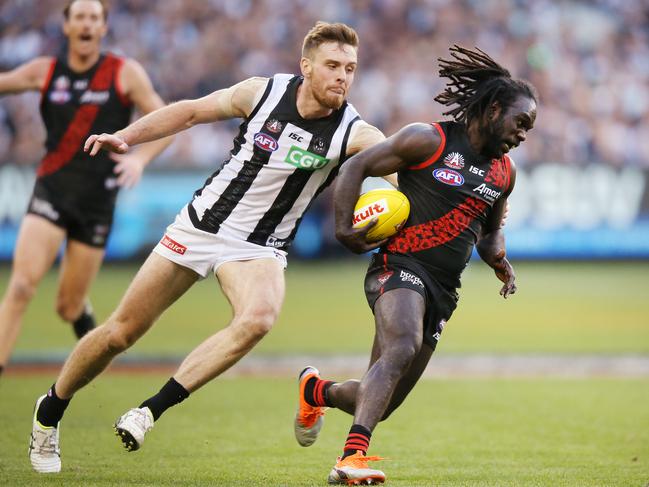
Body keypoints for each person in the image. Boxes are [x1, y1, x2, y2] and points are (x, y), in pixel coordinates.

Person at [28, 21, 397, 474]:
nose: (343, 76)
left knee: (259, 317)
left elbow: (401, 171)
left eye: (351, 68)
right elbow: (189, 112)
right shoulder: (260, 93)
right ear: (306, 67)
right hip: (199, 227)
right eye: (333, 65)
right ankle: (50, 410)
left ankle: (149, 410)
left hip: (259, 249)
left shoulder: (354, 132)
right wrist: (128, 137)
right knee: (120, 332)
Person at [293, 45, 538, 485]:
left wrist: (498, 257)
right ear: (495, 108)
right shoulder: (429, 139)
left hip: (444, 291)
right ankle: (353, 460)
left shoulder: (505, 173)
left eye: (529, 129)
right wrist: (345, 230)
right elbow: (356, 166)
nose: (523, 135)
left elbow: (490, 231)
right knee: (401, 346)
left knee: (381, 399)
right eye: (521, 123)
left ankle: (317, 391)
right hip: (397, 266)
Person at [0, 0, 171, 376]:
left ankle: (83, 321)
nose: (86, 24)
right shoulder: (44, 71)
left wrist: (139, 160)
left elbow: (166, 122)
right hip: (51, 191)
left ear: (104, 27)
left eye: (94, 17)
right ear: (66, 27)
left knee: (67, 306)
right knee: (23, 286)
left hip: (96, 203)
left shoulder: (124, 74)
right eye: (79, 17)